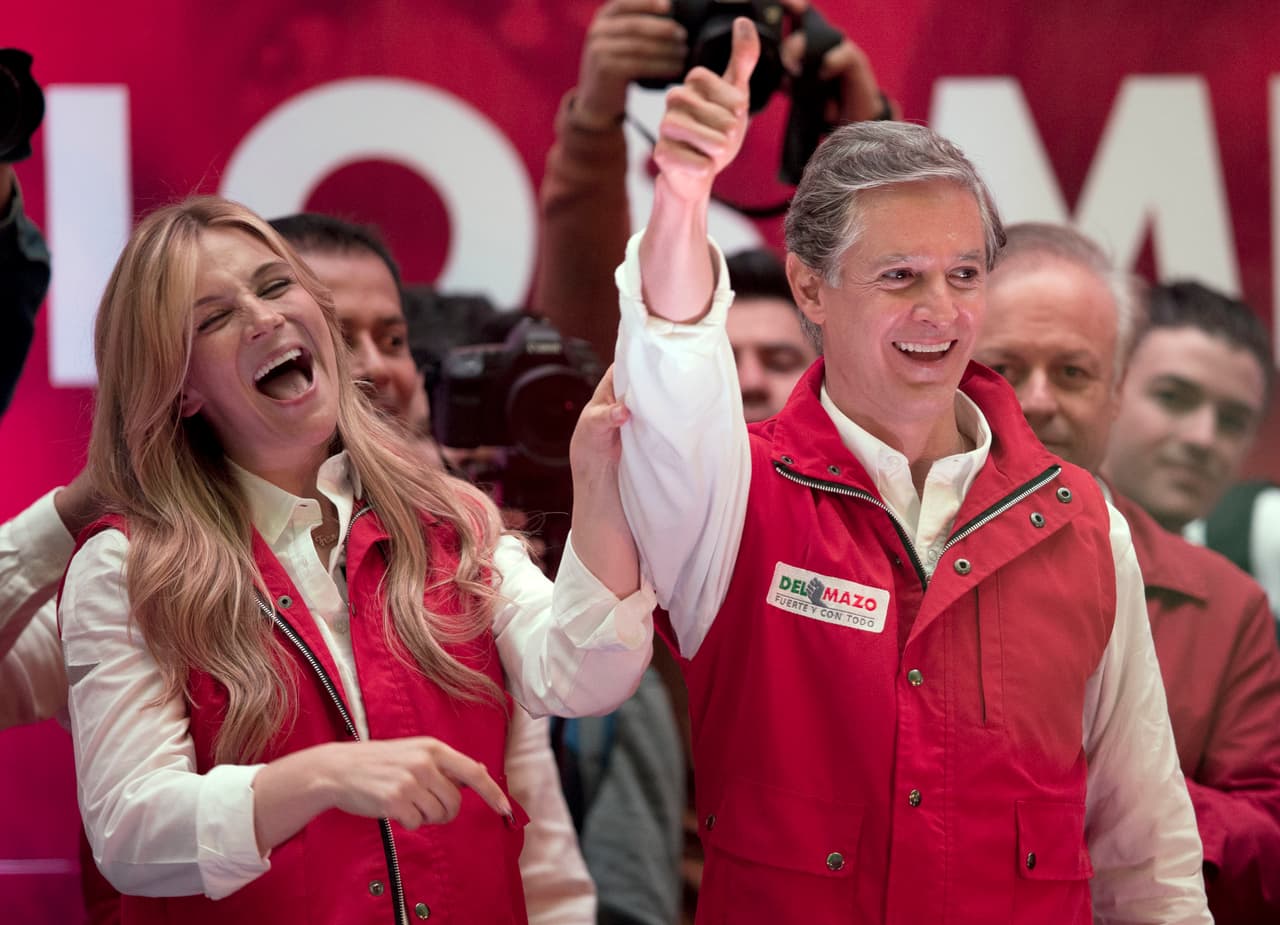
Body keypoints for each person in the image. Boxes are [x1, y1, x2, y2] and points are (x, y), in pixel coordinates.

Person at [610, 19, 1209, 923]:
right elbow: (667, 360)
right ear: (810, 288)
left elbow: (1148, 853)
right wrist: (684, 196)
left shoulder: (1083, 522)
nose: (942, 311)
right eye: (900, 277)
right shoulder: (734, 494)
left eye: (964, 274)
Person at [58, 196, 655, 923]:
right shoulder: (128, 565)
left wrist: (598, 478)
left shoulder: (452, 517)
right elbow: (128, 832)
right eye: (214, 317)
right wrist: (319, 777)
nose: (265, 316)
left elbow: (583, 672)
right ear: (178, 389)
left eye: (277, 286)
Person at [975, 221, 1280, 923]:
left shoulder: (1225, 605)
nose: (1039, 399)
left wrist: (1107, 785)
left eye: (1073, 371)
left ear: (1112, 390)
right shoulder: (882, 560)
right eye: (1005, 367)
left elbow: (1265, 845)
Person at [1100, 281, 1280, 628]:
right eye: (1172, 397)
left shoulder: (1240, 618)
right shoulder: (1028, 564)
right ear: (1108, 389)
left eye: (1232, 421)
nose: (1203, 438)